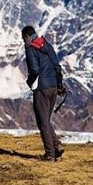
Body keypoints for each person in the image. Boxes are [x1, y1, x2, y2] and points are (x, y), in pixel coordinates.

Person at [22, 25, 64, 161]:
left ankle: (50, 155)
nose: (24, 41)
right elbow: (57, 66)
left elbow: (34, 70)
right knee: (46, 119)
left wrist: (29, 82)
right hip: (53, 87)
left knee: (42, 122)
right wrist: (59, 85)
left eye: (24, 39)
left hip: (42, 88)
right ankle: (56, 146)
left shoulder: (30, 49)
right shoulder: (46, 45)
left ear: (27, 37)